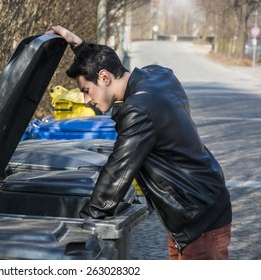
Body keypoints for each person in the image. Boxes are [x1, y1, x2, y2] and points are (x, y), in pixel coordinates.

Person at [49, 26, 232, 260]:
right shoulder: (156, 75)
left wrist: (84, 225)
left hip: (198, 219)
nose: (86, 100)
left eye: (86, 90)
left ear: (104, 77)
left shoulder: (138, 110)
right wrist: (82, 49)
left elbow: (117, 172)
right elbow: (102, 67)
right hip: (199, 206)